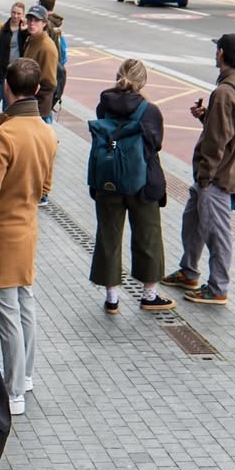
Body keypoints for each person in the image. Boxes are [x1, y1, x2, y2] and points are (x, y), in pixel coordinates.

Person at [0, 59, 57, 415]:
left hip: (0, 235)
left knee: (6, 316)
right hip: (27, 229)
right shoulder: (48, 132)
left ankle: (13, 390)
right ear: (36, 90)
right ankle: (27, 376)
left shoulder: (3, 136)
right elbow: (46, 186)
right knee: (25, 306)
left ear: (6, 87)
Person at [163, 33, 235, 306]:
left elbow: (217, 142)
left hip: (217, 176)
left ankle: (217, 288)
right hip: (221, 171)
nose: (215, 53)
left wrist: (205, 177)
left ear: (222, 53)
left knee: (218, 232)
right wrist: (207, 116)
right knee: (193, 220)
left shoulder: (224, 92)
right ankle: (188, 271)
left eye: (217, 49)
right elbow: (231, 128)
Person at [88, 61, 173, 315]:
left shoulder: (104, 104)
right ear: (142, 82)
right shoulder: (150, 111)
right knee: (148, 235)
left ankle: (112, 299)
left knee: (108, 236)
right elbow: (155, 144)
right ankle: (149, 295)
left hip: (108, 180)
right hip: (142, 182)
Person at [21, 5, 59, 122]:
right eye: (30, 19)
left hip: (38, 110)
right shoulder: (31, 39)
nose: (32, 23)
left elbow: (49, 84)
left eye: (36, 20)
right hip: (28, 105)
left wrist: (30, 99)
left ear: (44, 23)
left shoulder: (47, 47)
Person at [0, 2, 26, 108]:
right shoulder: (2, 28)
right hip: (4, 71)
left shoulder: (24, 30)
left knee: (18, 100)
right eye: (13, 12)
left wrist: (25, 32)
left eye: (19, 14)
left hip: (19, 71)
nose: (15, 16)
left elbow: (28, 47)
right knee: (6, 101)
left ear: (23, 15)